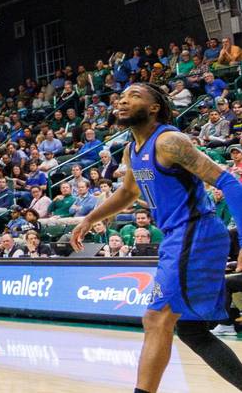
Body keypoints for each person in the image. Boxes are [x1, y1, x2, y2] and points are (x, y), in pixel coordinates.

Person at [70, 82, 242, 392]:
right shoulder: (131, 150)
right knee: (191, 331)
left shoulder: (169, 141)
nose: (123, 101)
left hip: (197, 231)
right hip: (178, 236)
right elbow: (127, 192)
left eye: (134, 96)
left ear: (154, 107)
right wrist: (89, 219)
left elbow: (228, 181)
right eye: (121, 97)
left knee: (156, 318)